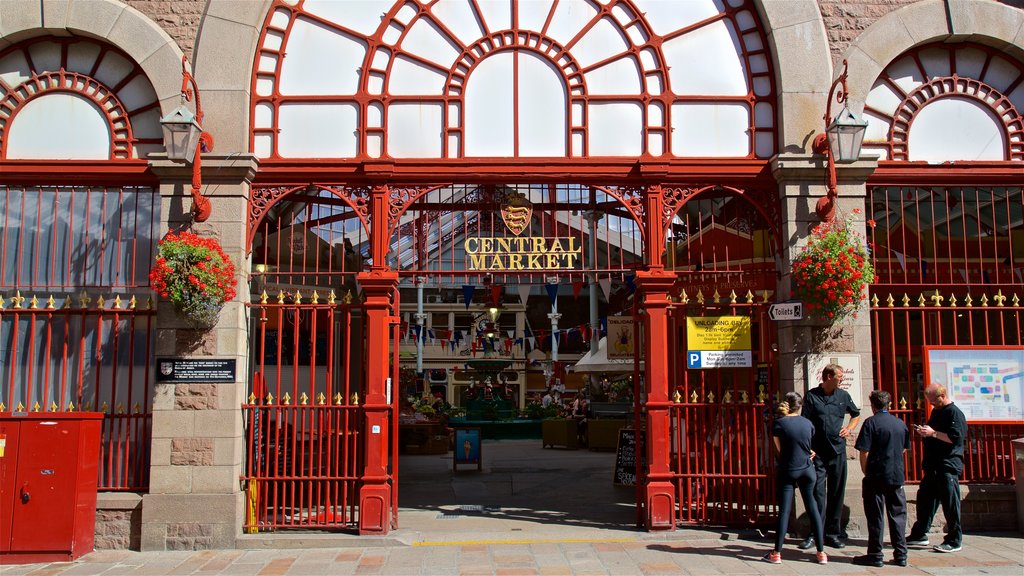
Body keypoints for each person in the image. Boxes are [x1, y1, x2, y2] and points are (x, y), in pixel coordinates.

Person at [798, 363, 861, 550]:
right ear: (828, 377)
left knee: (836, 492)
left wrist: (849, 429)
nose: (842, 379)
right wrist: (807, 447)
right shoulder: (812, 396)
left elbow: (855, 414)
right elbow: (805, 422)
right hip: (818, 453)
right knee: (817, 493)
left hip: (838, 451)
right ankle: (815, 533)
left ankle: (833, 533)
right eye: (839, 376)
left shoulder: (843, 396)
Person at [764, 392, 828, 565]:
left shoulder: (778, 424)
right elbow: (807, 445)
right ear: (800, 406)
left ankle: (776, 552)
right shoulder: (808, 423)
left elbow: (779, 449)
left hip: (788, 468)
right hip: (807, 468)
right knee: (813, 507)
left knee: (784, 510)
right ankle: (821, 552)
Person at [906, 383, 967, 553]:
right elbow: (934, 432)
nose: (931, 404)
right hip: (933, 465)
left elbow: (955, 438)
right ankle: (919, 534)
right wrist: (925, 432)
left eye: (933, 400)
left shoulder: (954, 413)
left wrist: (933, 433)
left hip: (947, 465)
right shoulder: (937, 411)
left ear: (942, 395)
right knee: (925, 500)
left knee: (950, 504)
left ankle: (954, 540)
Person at [852, 390, 910, 568]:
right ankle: (901, 554)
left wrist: (865, 469)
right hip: (896, 475)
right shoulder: (900, 424)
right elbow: (904, 449)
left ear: (873, 405)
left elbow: (864, 451)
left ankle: (876, 553)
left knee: (875, 515)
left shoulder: (871, 423)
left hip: (876, 475)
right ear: (890, 405)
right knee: (898, 515)